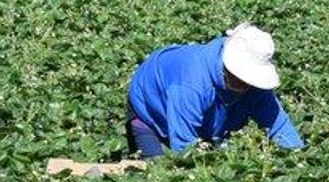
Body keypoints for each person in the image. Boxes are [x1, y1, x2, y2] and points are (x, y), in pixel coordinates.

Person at [125, 23, 305, 158]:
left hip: (200, 114)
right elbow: (184, 146)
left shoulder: (254, 87)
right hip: (149, 112)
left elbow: (279, 125)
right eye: (239, 77)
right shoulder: (192, 83)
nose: (244, 84)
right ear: (226, 65)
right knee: (160, 174)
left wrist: (297, 159)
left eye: (248, 80)